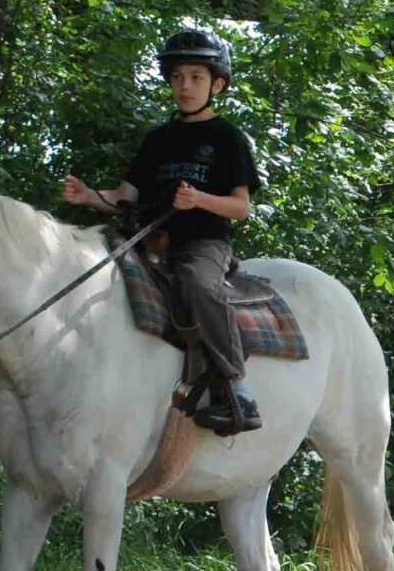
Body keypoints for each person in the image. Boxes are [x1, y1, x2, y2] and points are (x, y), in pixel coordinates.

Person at [63, 28, 264, 434]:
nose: (184, 86)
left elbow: (242, 208)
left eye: (195, 77)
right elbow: (123, 195)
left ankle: (237, 389)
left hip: (203, 243)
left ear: (217, 84)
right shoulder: (158, 139)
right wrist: (88, 196)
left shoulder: (227, 138)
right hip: (148, 241)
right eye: (177, 77)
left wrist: (200, 201)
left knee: (196, 283)